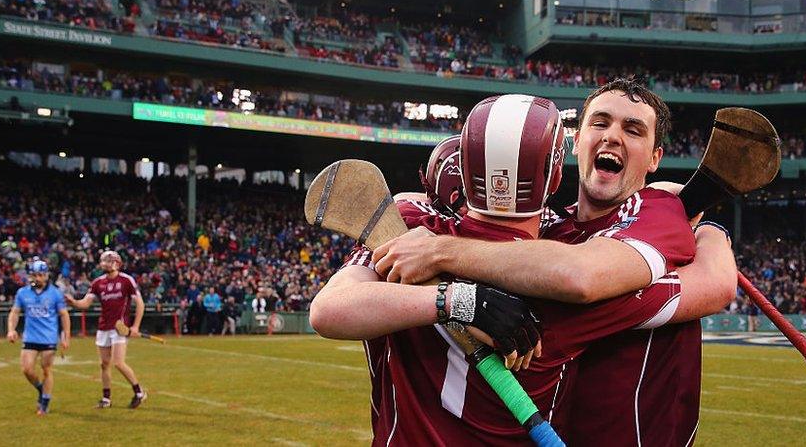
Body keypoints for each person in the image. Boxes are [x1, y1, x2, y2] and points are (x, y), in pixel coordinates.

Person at [312, 93, 735, 444]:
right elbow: (710, 283)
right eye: (600, 123)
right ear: (557, 169)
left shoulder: (409, 225)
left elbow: (330, 309)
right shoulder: (568, 272)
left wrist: (446, 284)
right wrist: (709, 226)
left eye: (632, 129)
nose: (613, 137)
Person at [65, 250, 147, 409]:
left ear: (117, 263)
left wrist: (135, 326)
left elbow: (140, 304)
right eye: (104, 261)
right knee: (104, 364)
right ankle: (106, 399)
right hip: (103, 327)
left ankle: (139, 392)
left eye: (109, 261)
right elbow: (86, 303)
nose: (105, 264)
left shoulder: (126, 280)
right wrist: (73, 302)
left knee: (118, 363)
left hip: (119, 328)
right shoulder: (98, 283)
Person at [6, 260, 71, 415]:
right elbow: (15, 312)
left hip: (49, 338)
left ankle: (45, 402)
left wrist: (66, 336)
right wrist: (11, 329)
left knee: (46, 369)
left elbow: (64, 314)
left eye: (41, 275)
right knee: (27, 369)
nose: (38, 278)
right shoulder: (22, 293)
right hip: (30, 337)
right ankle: (41, 389)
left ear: (46, 275)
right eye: (35, 275)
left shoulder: (55, 293)